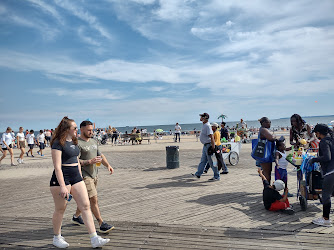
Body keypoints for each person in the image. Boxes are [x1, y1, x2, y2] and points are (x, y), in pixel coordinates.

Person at [49, 117, 110, 248]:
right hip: (61, 179)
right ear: (66, 129)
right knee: (60, 209)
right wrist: (63, 186)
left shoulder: (75, 141)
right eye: (74, 128)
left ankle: (94, 238)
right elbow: (57, 166)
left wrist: (80, 177)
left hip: (76, 177)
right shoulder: (58, 143)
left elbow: (76, 161)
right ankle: (57, 237)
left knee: (86, 206)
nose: (77, 130)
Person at [72, 120, 115, 234]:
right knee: (93, 199)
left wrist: (108, 165)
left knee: (85, 199)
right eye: (89, 130)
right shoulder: (77, 143)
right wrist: (90, 161)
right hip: (85, 176)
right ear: (82, 130)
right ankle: (101, 223)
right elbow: (75, 161)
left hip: (95, 174)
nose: (91, 132)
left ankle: (76, 216)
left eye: (92, 130)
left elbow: (100, 155)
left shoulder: (93, 141)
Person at [309, 124, 334, 227]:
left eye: (316, 133)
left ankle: (326, 219)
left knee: (326, 195)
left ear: (318, 133)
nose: (316, 135)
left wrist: (314, 159)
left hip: (330, 171)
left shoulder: (324, 141)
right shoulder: (332, 139)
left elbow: (327, 157)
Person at [192, 113, 220, 181]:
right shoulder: (204, 125)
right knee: (203, 161)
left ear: (205, 118)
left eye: (201, 116)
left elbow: (212, 137)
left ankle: (216, 176)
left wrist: (213, 148)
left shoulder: (207, 126)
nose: (200, 117)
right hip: (205, 146)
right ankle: (198, 174)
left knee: (211, 162)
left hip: (208, 146)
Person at [257, 117, 277, 183]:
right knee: (267, 172)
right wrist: (274, 136)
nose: (270, 124)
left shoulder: (262, 129)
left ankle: (267, 187)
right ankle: (267, 188)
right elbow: (271, 137)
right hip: (265, 154)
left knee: (267, 171)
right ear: (264, 123)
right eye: (269, 122)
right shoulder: (263, 129)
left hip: (264, 153)